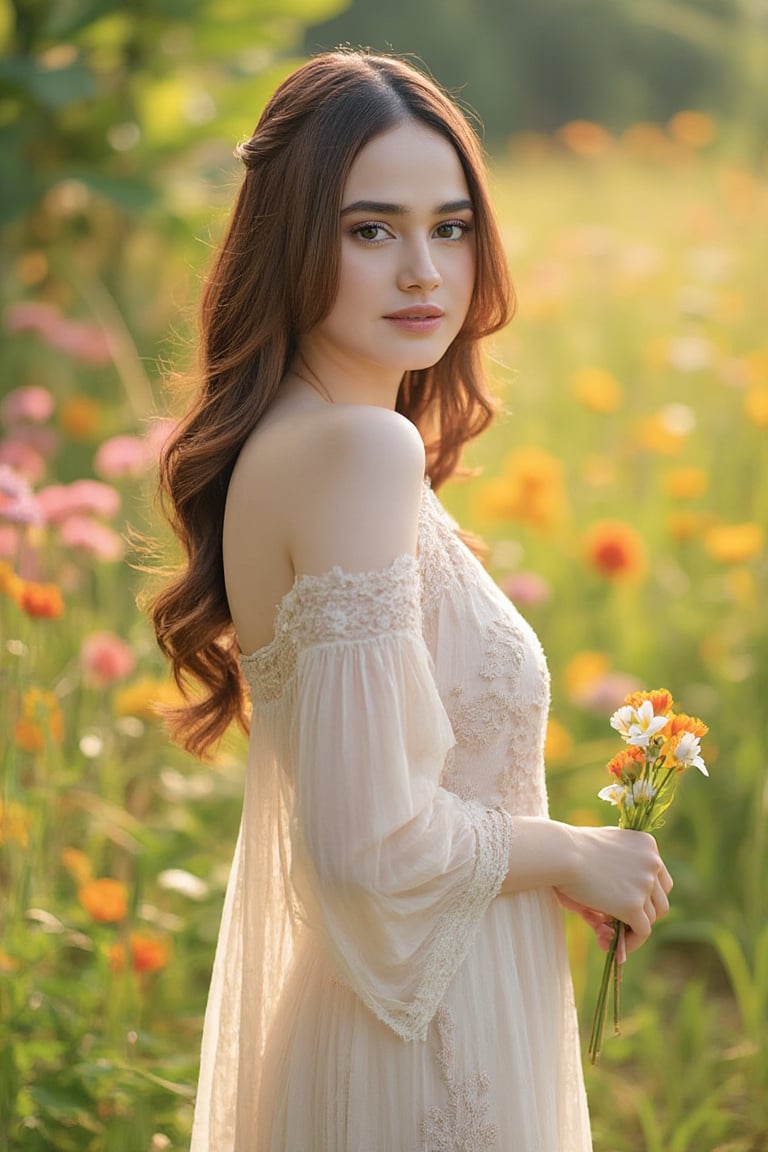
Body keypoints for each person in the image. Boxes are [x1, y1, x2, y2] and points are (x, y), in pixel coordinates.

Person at [151, 49, 673, 1152]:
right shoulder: (356, 450)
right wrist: (571, 852)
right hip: (422, 1052)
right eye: (371, 230)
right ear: (294, 240)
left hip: (396, 1008)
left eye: (451, 226)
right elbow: (368, 844)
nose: (425, 273)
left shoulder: (296, 441)